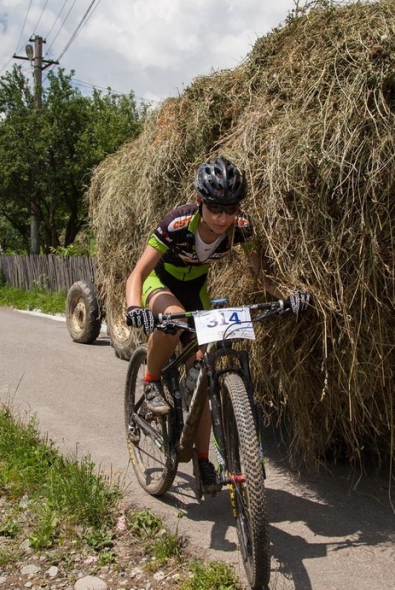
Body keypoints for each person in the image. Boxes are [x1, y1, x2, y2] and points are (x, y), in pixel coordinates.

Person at [124, 156, 310, 494]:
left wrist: (288, 296)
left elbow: (260, 274)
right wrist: (134, 307)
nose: (223, 217)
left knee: (203, 374)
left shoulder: (241, 228)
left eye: (230, 207)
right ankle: (151, 382)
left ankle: (205, 460)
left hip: (198, 290)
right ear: (199, 202)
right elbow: (138, 274)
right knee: (173, 321)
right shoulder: (176, 223)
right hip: (161, 284)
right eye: (214, 208)